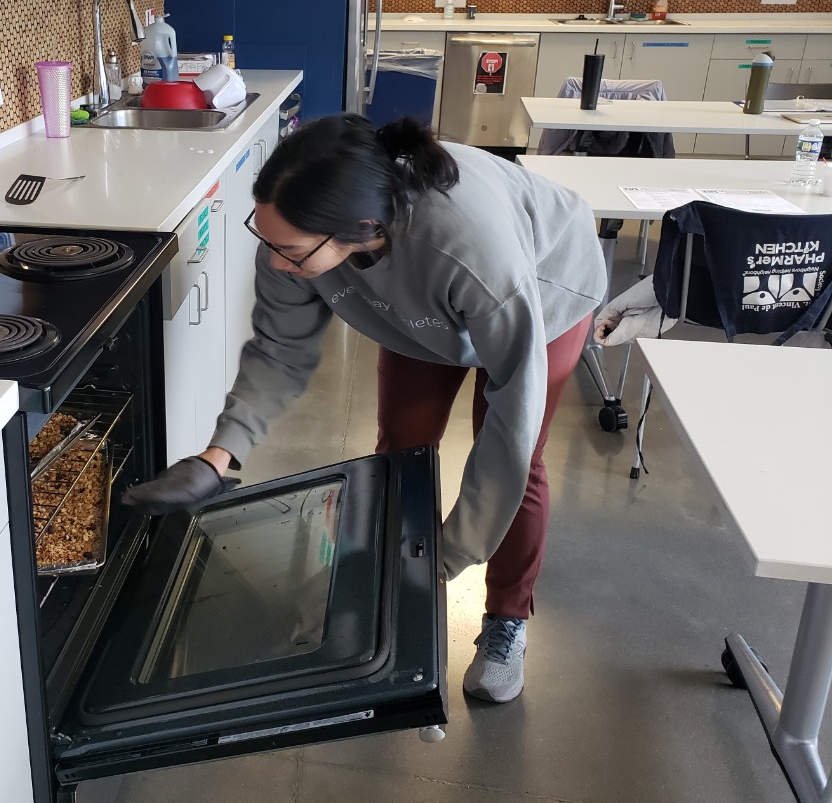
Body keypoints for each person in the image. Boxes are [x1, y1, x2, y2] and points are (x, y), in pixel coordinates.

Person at [122, 114, 607, 704]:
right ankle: (383, 585)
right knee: (401, 449)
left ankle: (507, 620)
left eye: (292, 252)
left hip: (544, 289)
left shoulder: (470, 250)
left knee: (518, 455)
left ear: (361, 228)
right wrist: (219, 455)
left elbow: (510, 423)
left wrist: (446, 557)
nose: (277, 262)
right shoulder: (295, 233)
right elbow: (280, 349)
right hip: (429, 312)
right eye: (269, 240)